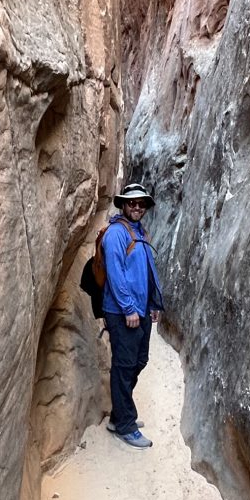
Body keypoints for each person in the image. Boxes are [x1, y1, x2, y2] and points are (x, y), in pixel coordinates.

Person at [102, 182, 164, 449]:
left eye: (141, 203)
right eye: (131, 202)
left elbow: (146, 272)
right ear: (123, 205)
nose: (136, 207)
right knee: (124, 366)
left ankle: (119, 413)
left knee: (139, 361)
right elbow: (116, 275)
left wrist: (153, 304)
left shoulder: (139, 232)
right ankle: (124, 424)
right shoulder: (116, 234)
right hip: (122, 312)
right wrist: (128, 308)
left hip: (140, 310)